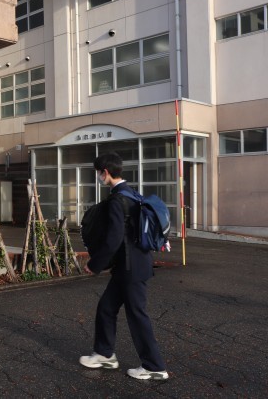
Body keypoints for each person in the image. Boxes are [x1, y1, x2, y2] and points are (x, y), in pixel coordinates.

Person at [79, 152, 168, 380]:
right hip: (130, 266)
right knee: (106, 308)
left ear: (105, 173)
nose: (98, 176)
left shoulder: (117, 200)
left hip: (131, 269)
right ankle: (104, 354)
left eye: (98, 173)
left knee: (137, 315)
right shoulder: (133, 194)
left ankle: (154, 367)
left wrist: (94, 264)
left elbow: (114, 239)